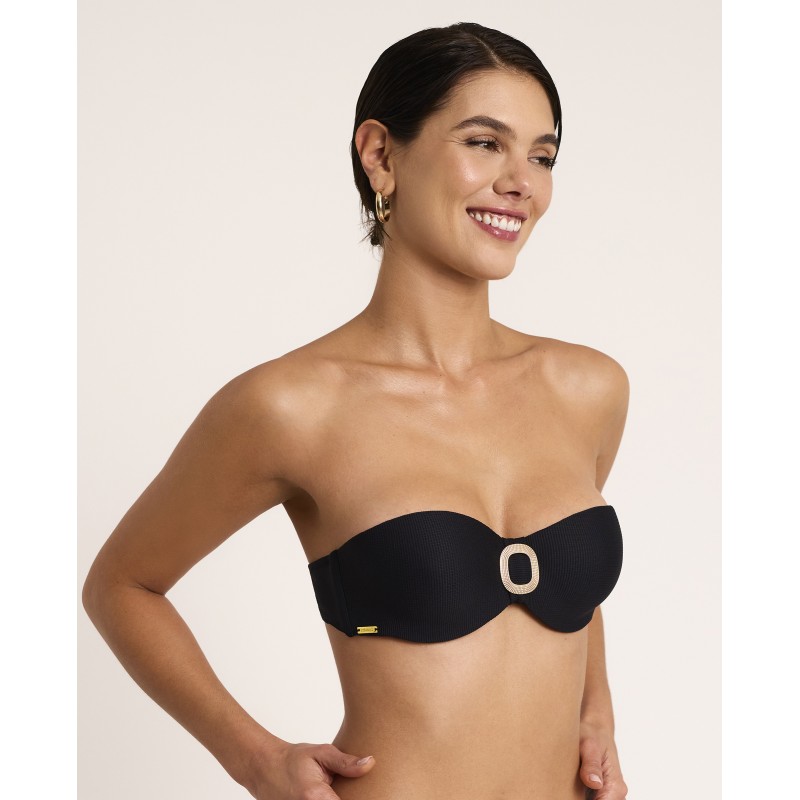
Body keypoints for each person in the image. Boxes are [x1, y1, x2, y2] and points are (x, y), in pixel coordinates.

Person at [82, 21, 630, 800]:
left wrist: (597, 712)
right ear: (380, 155)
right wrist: (255, 758)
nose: (522, 183)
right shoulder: (291, 406)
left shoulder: (587, 389)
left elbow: (572, 590)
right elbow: (122, 585)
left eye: (542, 156)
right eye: (484, 143)